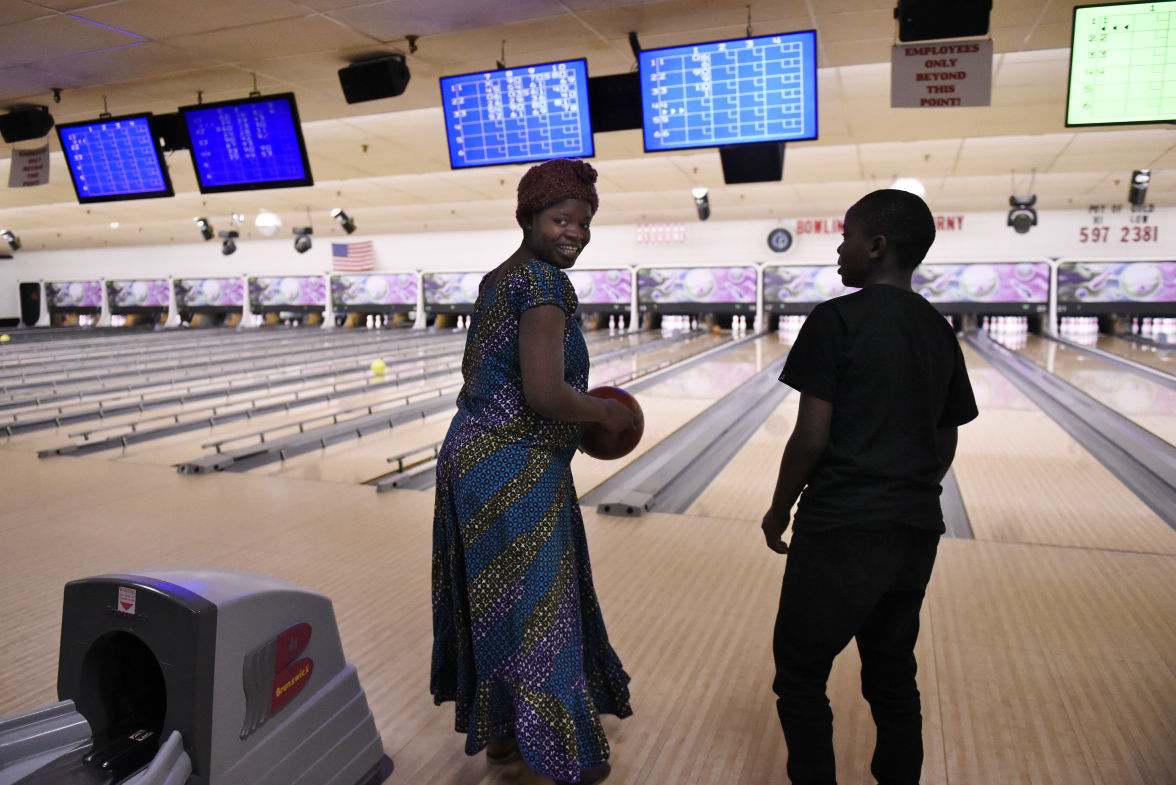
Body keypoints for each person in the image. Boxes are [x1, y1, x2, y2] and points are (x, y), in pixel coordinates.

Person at [431, 158, 640, 785]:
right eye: (560, 218)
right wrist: (604, 409)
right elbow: (548, 396)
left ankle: (504, 742)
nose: (574, 230)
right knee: (541, 611)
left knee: (497, 606)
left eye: (584, 221)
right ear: (528, 216)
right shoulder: (545, 285)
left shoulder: (502, 277)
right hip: (514, 470)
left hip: (472, 461)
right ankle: (563, 752)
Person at [761, 189, 978, 785]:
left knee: (801, 674)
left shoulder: (835, 319)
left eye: (846, 235)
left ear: (876, 246)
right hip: (913, 528)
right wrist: (904, 494)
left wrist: (779, 508)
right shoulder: (939, 330)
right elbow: (946, 444)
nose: (839, 246)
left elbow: (810, 436)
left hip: (839, 526)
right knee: (891, 672)